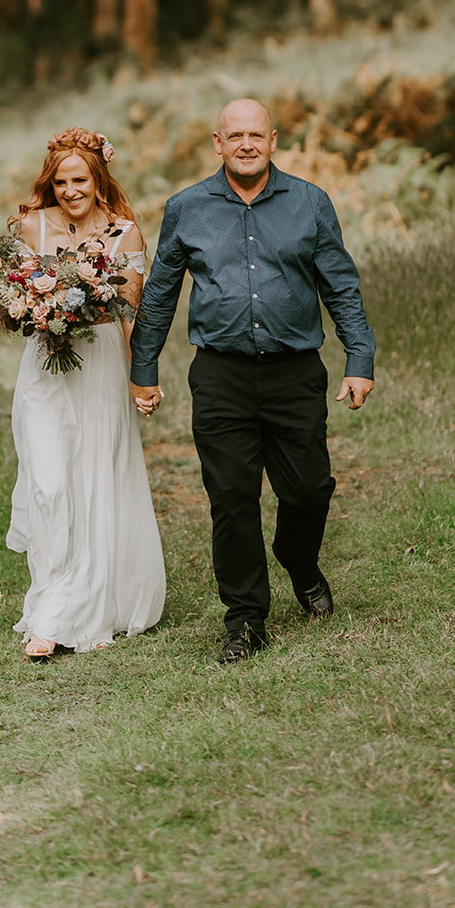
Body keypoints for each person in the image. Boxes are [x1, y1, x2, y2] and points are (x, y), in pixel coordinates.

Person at [129, 98, 375, 664]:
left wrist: (358, 358)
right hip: (220, 376)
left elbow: (339, 283)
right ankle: (245, 617)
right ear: (217, 143)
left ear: (272, 140)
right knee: (232, 499)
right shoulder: (187, 208)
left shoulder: (310, 202)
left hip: (295, 373)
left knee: (309, 489)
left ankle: (300, 559)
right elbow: (162, 294)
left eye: (255, 135)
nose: (245, 144)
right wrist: (144, 371)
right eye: (234, 135)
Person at [5, 126, 165, 659]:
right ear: (50, 182)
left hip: (99, 370)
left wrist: (144, 376)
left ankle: (64, 617)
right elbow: (9, 300)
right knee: (49, 485)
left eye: (81, 179)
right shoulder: (31, 227)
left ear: (99, 180)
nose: (71, 190)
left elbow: (131, 316)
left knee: (94, 484)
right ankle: (49, 599)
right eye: (61, 181)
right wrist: (30, 310)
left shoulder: (126, 235)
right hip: (45, 371)